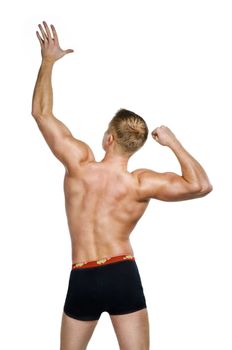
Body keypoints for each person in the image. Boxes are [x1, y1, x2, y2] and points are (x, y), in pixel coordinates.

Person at [31, 21, 213, 350]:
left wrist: (48, 62)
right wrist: (173, 143)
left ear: (109, 138)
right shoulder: (140, 183)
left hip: (82, 273)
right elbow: (200, 185)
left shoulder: (79, 163)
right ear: (136, 145)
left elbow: (41, 114)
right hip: (122, 274)